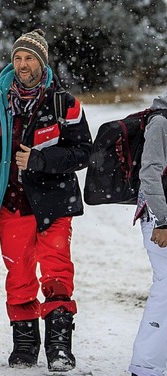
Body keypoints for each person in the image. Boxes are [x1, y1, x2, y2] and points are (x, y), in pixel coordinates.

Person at [0, 29, 92, 371]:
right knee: (19, 276)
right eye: (18, 58)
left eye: (30, 59)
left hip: (54, 204)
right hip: (10, 204)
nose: (23, 65)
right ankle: (24, 347)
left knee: (57, 273)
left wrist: (40, 162)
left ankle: (59, 349)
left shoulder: (63, 103)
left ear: (42, 63)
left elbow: (83, 152)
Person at [128, 93, 167, 376]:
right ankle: (145, 365)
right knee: (165, 289)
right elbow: (150, 173)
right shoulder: (161, 122)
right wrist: (162, 221)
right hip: (159, 218)